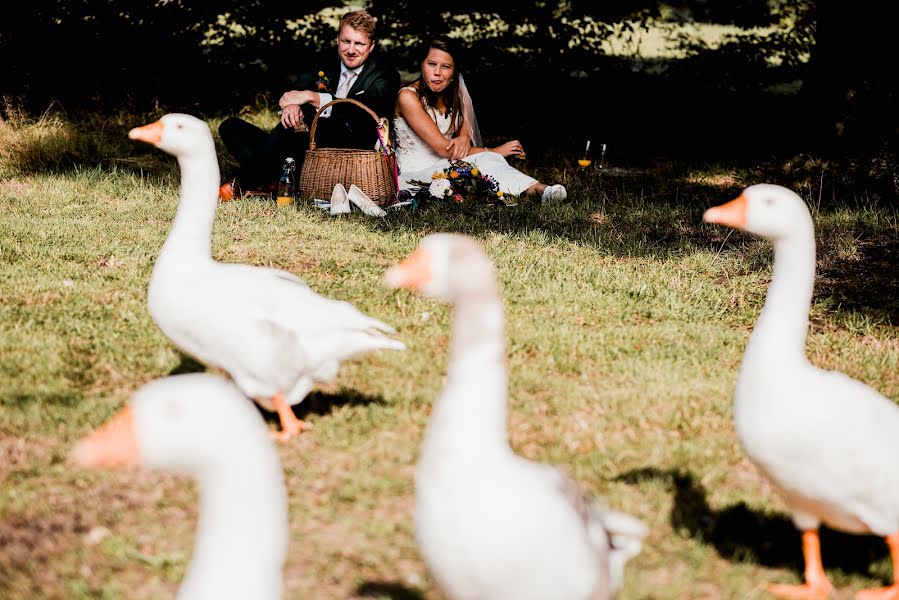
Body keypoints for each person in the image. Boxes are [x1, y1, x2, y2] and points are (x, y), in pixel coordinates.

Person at [218, 10, 401, 199]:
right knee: (230, 126)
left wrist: (310, 96)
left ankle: (246, 179)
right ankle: (272, 178)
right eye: (346, 41)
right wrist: (291, 106)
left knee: (291, 134)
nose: (351, 49)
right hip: (301, 142)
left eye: (359, 44)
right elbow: (297, 91)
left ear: (371, 46)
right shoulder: (323, 63)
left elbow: (360, 112)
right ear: (338, 39)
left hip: (346, 151)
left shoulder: (385, 75)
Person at [393, 37, 567, 204]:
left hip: (447, 164)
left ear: (454, 71)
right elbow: (443, 149)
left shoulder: (456, 96)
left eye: (446, 67)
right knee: (486, 160)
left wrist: (465, 138)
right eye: (431, 64)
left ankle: (542, 190)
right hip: (416, 173)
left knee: (484, 162)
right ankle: (535, 190)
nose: (437, 73)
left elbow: (463, 140)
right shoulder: (408, 97)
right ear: (422, 64)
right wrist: (495, 151)